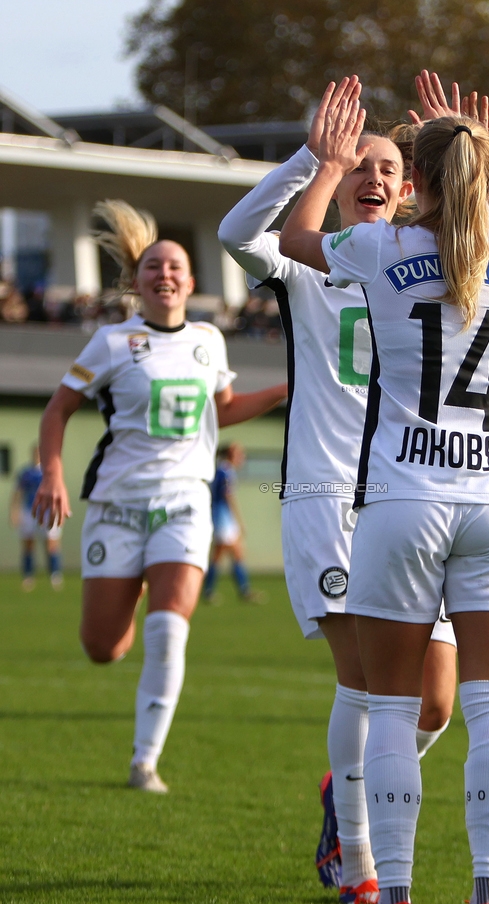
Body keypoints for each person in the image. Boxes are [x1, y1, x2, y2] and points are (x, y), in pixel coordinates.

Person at [279, 83, 489, 904]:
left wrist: (327, 164)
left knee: (391, 707)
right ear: (484, 173)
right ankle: (487, 898)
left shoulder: (382, 243)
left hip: (404, 501)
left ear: (416, 180)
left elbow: (294, 241)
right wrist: (488, 165)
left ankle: (392, 896)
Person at [219, 76, 458, 904]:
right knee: (364, 683)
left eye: (389, 164)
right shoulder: (308, 264)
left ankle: (344, 794)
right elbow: (237, 231)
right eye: (361, 161)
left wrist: (459, 157)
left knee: (434, 705)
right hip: (327, 494)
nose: (373, 173)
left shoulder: (424, 265)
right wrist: (311, 160)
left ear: (410, 186)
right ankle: (357, 861)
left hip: (415, 495)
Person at [32, 200, 286, 794]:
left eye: (175, 266)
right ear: (137, 282)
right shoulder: (112, 343)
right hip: (116, 507)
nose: (165, 274)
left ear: (191, 282)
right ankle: (135, 582)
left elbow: (222, 412)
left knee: (170, 629)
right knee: (103, 648)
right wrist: (52, 474)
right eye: (153, 267)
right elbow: (57, 410)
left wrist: (284, 389)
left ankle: (145, 761)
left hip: (185, 504)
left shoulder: (208, 341)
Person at [203, 442, 263, 603]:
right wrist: (239, 521)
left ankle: (244, 591)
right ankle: (208, 591)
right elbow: (228, 497)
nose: (242, 458)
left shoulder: (222, 470)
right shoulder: (225, 472)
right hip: (223, 519)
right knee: (219, 555)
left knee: (236, 554)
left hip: (223, 519)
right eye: (239, 454)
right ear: (231, 455)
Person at [10, 445, 63, 591]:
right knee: (28, 544)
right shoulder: (25, 473)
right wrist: (14, 512)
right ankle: (28, 576)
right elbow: (18, 493)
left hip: (48, 512)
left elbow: (58, 491)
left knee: (51, 544)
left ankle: (55, 575)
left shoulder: (50, 472)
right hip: (29, 512)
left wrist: (60, 510)